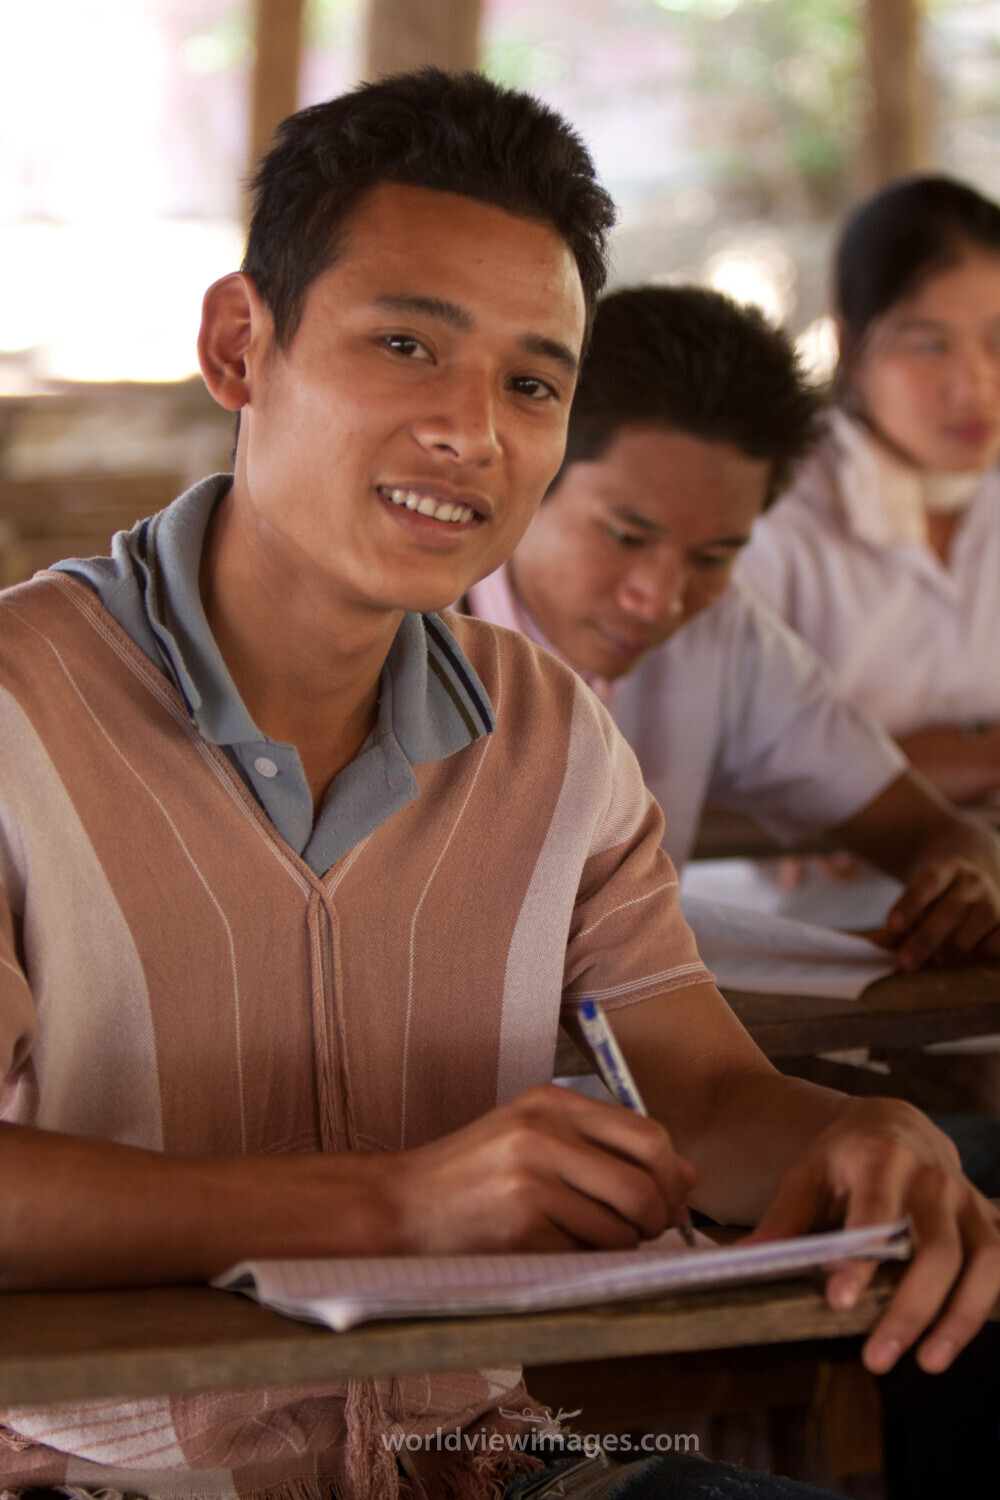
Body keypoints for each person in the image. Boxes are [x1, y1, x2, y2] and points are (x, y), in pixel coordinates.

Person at [1, 73, 998, 1500]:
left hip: (479, 1461)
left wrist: (860, 1133)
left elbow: (700, 1092)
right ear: (240, 343)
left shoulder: (549, 736)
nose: (474, 430)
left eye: (533, 382)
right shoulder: (18, 711)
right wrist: (399, 1204)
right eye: (407, 343)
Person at [466, 283, 1000, 972]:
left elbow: (931, 831)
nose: (659, 600)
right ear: (531, 467)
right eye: (627, 536)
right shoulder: (406, 631)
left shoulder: (720, 636)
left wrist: (965, 878)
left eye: (713, 557)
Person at [737, 174, 1000, 808]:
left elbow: (836, 785)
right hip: (797, 899)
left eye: (999, 341)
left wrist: (871, 778)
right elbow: (759, 779)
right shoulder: (771, 517)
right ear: (851, 348)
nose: (975, 385)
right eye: (930, 344)